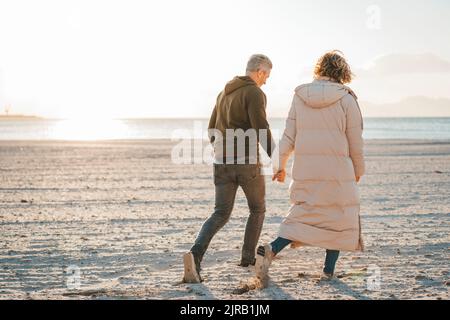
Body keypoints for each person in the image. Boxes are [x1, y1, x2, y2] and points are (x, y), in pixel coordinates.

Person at [255, 51, 365, 286]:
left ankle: (272, 249)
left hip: (306, 169)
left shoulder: (300, 96)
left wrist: (279, 165)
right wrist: (359, 168)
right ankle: (328, 272)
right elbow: (355, 139)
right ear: (342, 72)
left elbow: (289, 135)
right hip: (338, 170)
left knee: (302, 213)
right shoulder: (347, 99)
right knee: (339, 217)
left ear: (320, 70)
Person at [183, 54, 276, 283]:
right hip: (246, 162)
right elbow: (261, 127)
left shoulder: (223, 93)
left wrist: (222, 151)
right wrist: (276, 157)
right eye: (267, 76)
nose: (266, 81)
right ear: (260, 72)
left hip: (221, 162)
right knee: (257, 209)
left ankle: (195, 256)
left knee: (220, 213)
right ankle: (247, 258)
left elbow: (211, 129)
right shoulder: (254, 92)